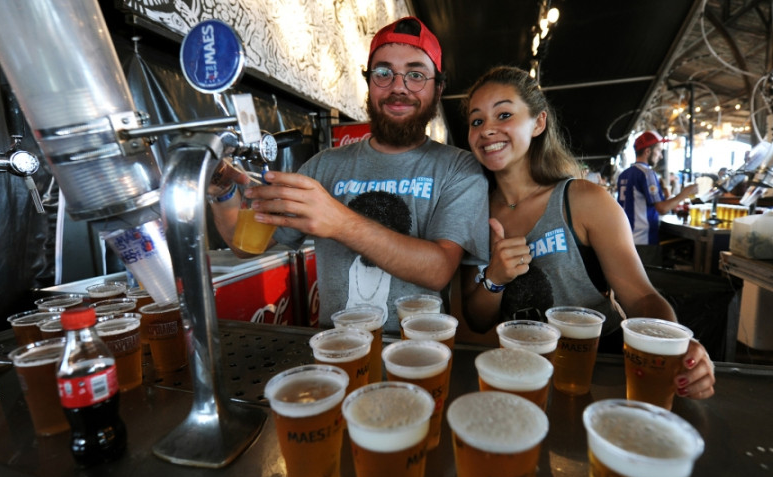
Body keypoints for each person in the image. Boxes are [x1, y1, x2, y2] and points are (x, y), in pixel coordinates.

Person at [208, 17, 490, 332]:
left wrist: (340, 222)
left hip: (418, 356)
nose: (399, 87)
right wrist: (222, 192)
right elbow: (245, 246)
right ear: (368, 83)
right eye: (383, 73)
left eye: (416, 74)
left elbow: (439, 269)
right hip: (337, 352)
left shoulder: (459, 168)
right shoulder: (323, 167)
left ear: (438, 89)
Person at [459, 66, 714, 400]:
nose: (487, 129)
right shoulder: (473, 212)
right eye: (477, 121)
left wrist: (674, 343)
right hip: (522, 376)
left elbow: (640, 297)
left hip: (601, 373)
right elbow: (477, 320)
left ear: (538, 123)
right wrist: (495, 277)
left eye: (503, 114)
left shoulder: (583, 200)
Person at [617, 131, 699, 255]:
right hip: (643, 241)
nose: (660, 156)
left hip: (625, 238)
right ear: (648, 151)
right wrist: (686, 192)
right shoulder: (647, 173)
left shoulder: (624, 174)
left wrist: (666, 192)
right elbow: (662, 208)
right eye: (659, 151)